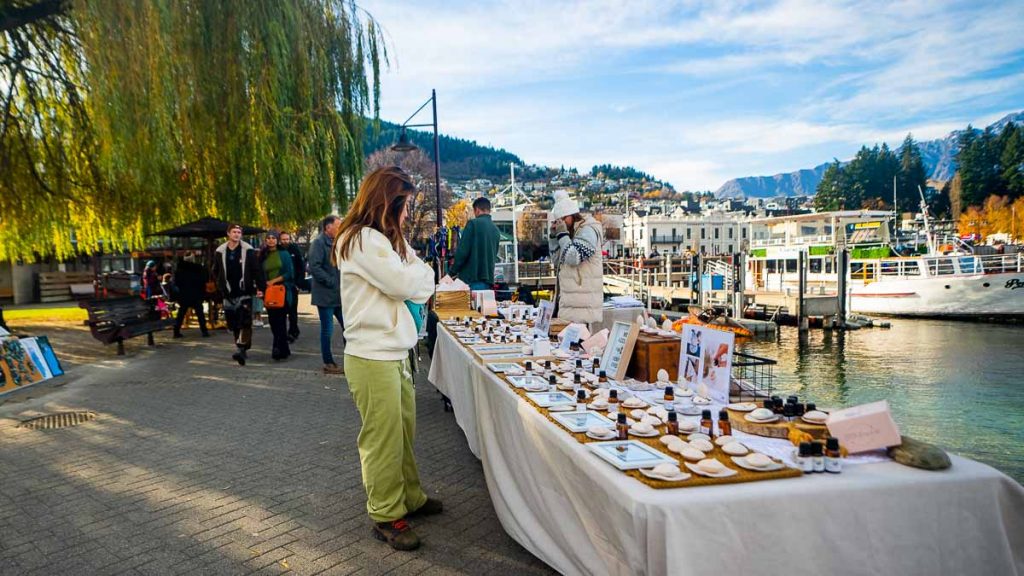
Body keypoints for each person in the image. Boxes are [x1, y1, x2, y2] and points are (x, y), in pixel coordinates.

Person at [334, 166, 441, 551]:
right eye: (407, 205)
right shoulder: (362, 240)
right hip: (373, 356)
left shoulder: (383, 241)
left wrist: (415, 275)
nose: (410, 213)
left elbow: (420, 280)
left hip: (393, 352)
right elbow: (407, 284)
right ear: (388, 202)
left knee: (403, 434)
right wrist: (415, 275)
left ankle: (409, 497)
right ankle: (385, 513)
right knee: (383, 439)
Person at [549, 189, 604, 326]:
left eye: (563, 219)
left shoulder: (589, 230)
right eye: (558, 220)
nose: (561, 223)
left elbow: (573, 258)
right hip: (569, 304)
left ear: (572, 215)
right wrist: (554, 238)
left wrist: (562, 234)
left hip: (583, 307)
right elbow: (556, 260)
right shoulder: (569, 234)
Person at [212, 224, 262, 366]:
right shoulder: (220, 251)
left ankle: (241, 349)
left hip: (244, 291)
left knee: (245, 321)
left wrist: (259, 286)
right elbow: (215, 270)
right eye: (234, 232)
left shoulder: (248, 250)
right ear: (228, 233)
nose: (236, 234)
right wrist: (220, 284)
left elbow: (256, 270)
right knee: (233, 324)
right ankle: (241, 347)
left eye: (239, 232)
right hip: (228, 292)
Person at [309, 214, 345, 374]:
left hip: (339, 296)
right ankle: (328, 362)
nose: (340, 228)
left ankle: (352, 359)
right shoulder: (318, 243)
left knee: (349, 328)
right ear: (328, 227)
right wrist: (332, 281)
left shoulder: (338, 242)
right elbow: (314, 267)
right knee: (327, 330)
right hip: (325, 296)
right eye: (338, 225)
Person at [257, 231, 295, 361]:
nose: (271, 240)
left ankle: (276, 348)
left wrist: (273, 281)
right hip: (268, 292)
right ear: (265, 240)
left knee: (280, 320)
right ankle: (284, 348)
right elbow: (259, 274)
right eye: (269, 238)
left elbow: (289, 273)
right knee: (273, 322)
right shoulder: (262, 255)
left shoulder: (284, 254)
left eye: (274, 238)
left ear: (277, 240)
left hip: (282, 291)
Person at [449, 197, 500, 291]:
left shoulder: (473, 224)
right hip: (487, 281)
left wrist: (451, 272)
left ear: (476, 210)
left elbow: (462, 252)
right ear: (489, 209)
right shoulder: (496, 230)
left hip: (470, 279)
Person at [172, 256, 210, 338]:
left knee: (181, 313)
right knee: (200, 313)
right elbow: (204, 280)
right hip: (196, 294)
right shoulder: (198, 269)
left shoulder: (179, 270)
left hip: (184, 295)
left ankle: (176, 331)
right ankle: (204, 331)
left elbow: (177, 283)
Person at [280, 231, 305, 342]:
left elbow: (301, 267)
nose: (285, 241)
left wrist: (299, 284)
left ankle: (293, 331)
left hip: (293, 285)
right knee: (282, 311)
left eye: (287, 239)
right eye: (283, 239)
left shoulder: (294, 249)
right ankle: (283, 332)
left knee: (292, 310)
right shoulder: (277, 250)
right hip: (280, 285)